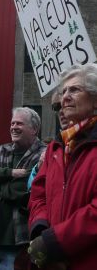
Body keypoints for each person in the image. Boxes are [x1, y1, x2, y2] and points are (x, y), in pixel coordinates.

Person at [28, 63, 97, 270]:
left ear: (95, 101)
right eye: (64, 90)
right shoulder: (56, 148)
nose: (65, 96)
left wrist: (55, 242)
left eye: (75, 89)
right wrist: (40, 228)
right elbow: (38, 193)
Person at [0, 107, 46, 269]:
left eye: (20, 124)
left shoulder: (43, 155)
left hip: (18, 244)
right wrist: (9, 173)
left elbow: (24, 190)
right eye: (12, 123)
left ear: (34, 129)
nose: (14, 127)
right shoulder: (1, 150)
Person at [27, 91, 68, 190]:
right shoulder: (52, 149)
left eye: (67, 104)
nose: (61, 111)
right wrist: (38, 168)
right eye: (56, 107)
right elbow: (33, 188)